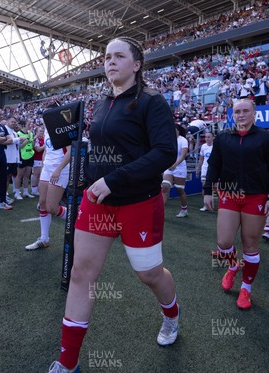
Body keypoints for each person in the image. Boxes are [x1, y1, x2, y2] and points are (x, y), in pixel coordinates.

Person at [49, 36, 180, 373]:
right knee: (82, 274)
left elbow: (164, 152)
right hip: (97, 202)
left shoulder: (153, 101)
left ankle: (171, 314)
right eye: (107, 56)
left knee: (149, 274)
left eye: (119, 56)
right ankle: (68, 362)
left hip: (139, 202)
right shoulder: (102, 102)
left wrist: (114, 179)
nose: (110, 61)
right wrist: (88, 174)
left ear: (136, 65)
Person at [204, 99, 269, 310]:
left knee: (250, 245)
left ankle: (246, 288)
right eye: (237, 111)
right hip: (229, 194)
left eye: (245, 111)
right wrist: (207, 191)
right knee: (223, 242)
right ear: (233, 115)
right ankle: (232, 266)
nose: (241, 115)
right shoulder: (223, 138)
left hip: (256, 196)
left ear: (254, 113)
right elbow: (214, 165)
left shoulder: (266, 138)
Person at [24, 126, 70, 251]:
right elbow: (46, 149)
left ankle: (76, 218)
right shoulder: (46, 129)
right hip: (47, 169)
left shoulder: (64, 128)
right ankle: (44, 239)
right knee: (42, 203)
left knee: (52, 208)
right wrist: (45, 165)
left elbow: (71, 151)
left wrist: (58, 169)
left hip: (60, 170)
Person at [161, 125, 189, 217]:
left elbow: (183, 155)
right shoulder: (168, 139)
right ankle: (159, 211)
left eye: (175, 130)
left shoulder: (183, 140)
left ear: (178, 131)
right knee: (164, 187)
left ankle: (184, 210)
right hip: (169, 167)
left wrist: (175, 165)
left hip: (179, 167)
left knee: (180, 190)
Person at [14, 121, 35, 200]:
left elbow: (32, 145)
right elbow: (19, 147)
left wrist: (32, 140)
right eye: (28, 124)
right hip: (22, 156)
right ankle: (16, 192)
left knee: (27, 175)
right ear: (23, 125)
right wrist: (27, 139)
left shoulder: (31, 133)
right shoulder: (18, 134)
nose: (30, 125)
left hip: (30, 155)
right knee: (19, 175)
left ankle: (25, 192)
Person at [196, 131, 214, 212]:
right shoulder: (203, 146)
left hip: (213, 170)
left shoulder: (216, 146)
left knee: (214, 188)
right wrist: (198, 168)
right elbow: (201, 159)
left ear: (213, 137)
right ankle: (205, 205)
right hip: (205, 169)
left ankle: (214, 205)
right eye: (206, 137)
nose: (207, 139)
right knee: (204, 187)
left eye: (209, 137)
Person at [31, 126, 46, 196]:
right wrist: (45, 145)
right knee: (36, 174)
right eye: (40, 131)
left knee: (40, 175)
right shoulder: (35, 139)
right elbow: (38, 149)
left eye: (42, 131)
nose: (42, 132)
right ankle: (33, 190)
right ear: (36, 132)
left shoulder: (43, 139)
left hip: (42, 159)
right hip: (37, 159)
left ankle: (37, 189)